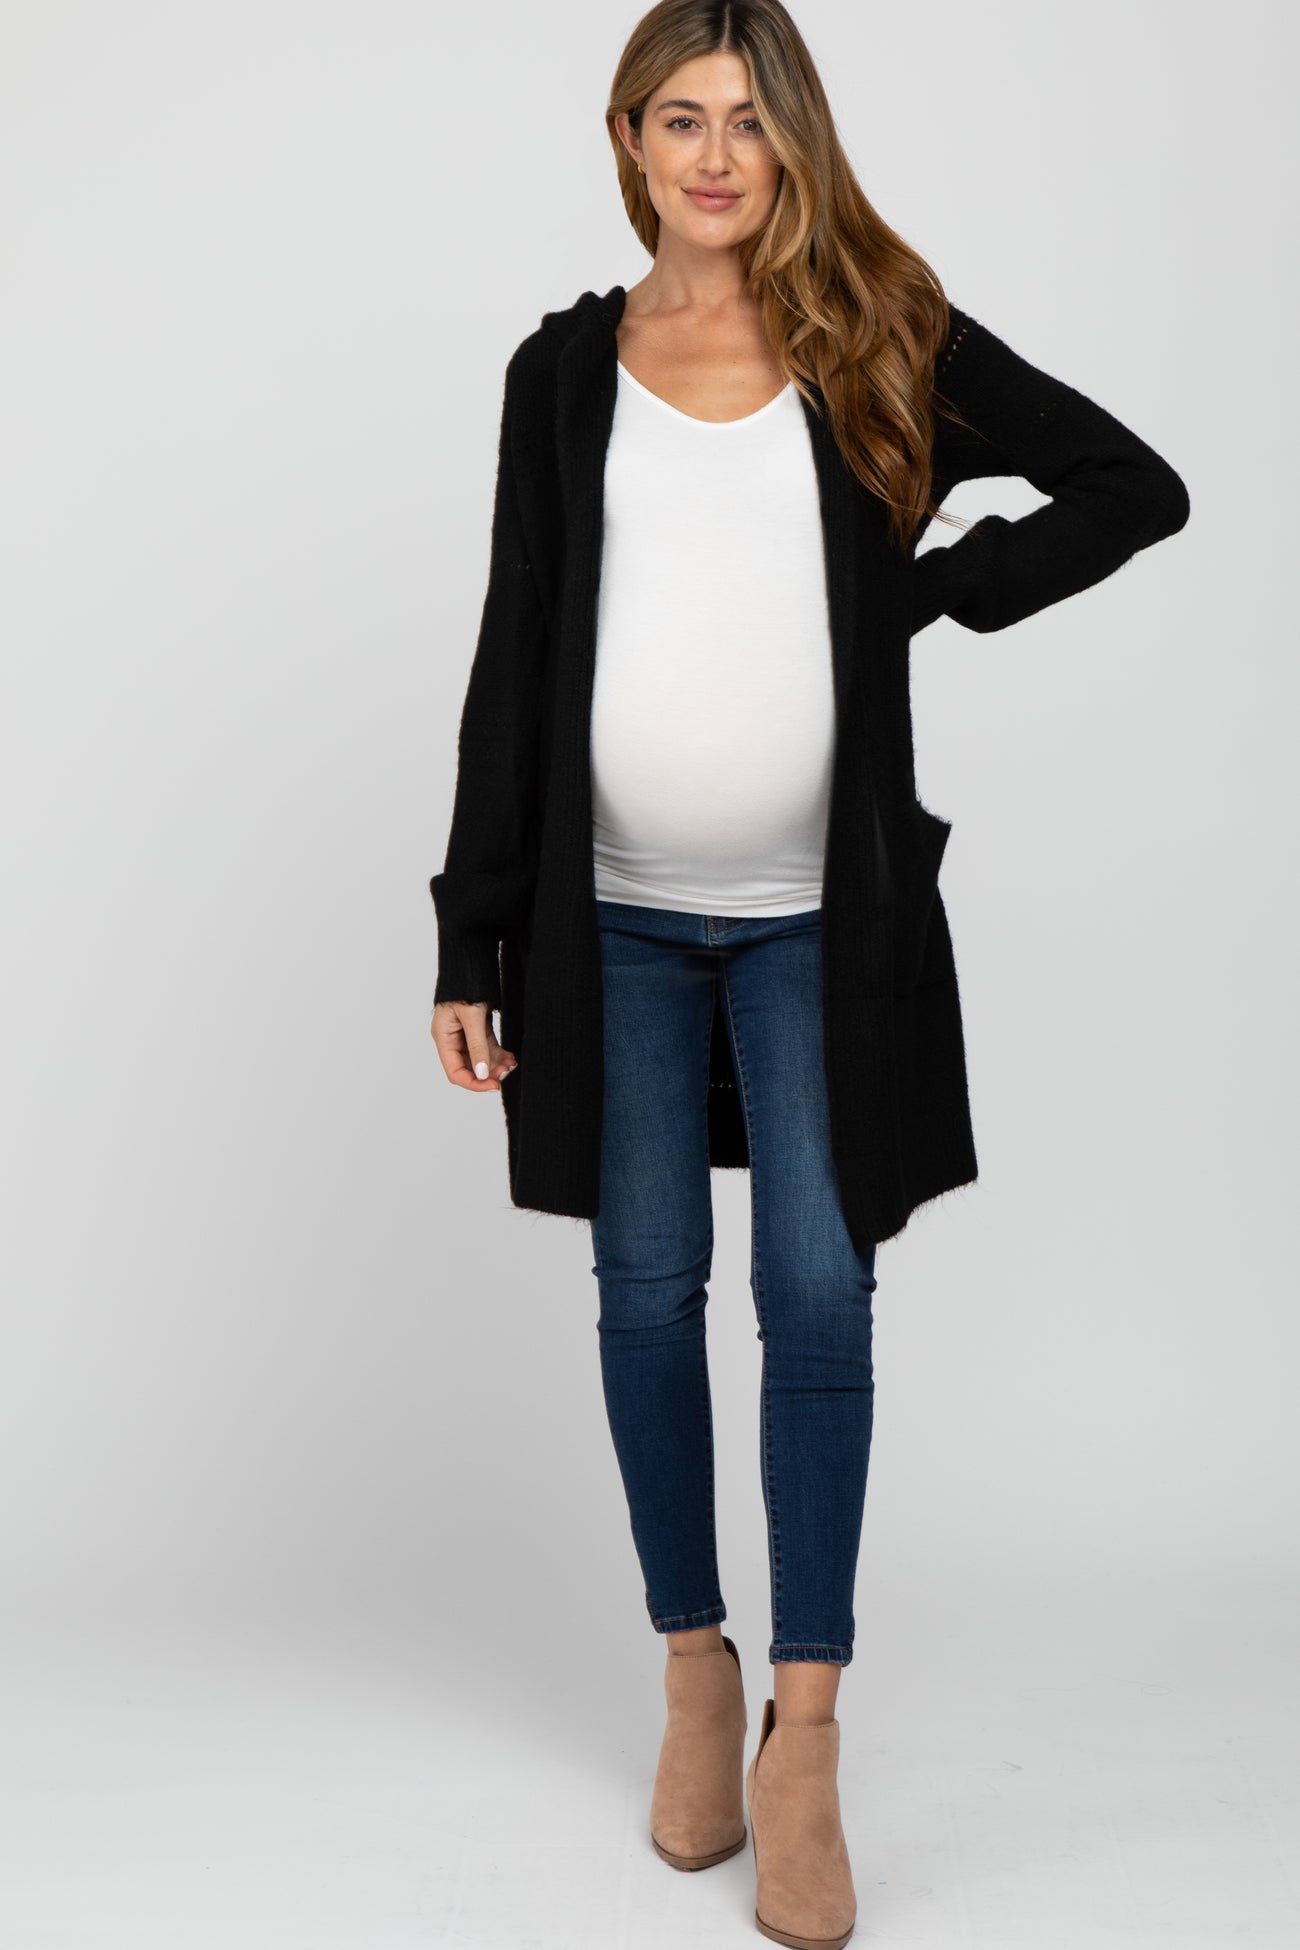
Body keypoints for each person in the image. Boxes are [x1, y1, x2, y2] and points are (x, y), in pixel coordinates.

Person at [428, 4, 1190, 1944]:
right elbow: (518, 646)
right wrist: (470, 928)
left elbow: (1129, 483)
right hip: (606, 919)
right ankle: (693, 1667)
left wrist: (933, 587)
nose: (714, 156)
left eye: (748, 122)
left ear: (793, 145)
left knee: (816, 1289)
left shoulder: (879, 337)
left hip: (813, 919)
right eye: (679, 118)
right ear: (627, 135)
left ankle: (807, 1734)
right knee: (644, 1286)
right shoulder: (561, 372)